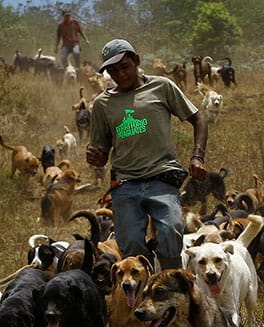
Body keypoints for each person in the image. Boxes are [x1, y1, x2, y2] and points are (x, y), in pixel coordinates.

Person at [86, 39, 207, 270]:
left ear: (137, 61)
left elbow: (198, 118)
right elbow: (100, 153)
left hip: (162, 177)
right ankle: (143, 293)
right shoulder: (103, 104)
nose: (120, 75)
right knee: (131, 244)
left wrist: (197, 157)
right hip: (125, 184)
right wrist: (95, 158)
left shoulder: (161, 87)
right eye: (112, 70)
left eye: (124, 67)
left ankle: (172, 284)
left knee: (171, 232)